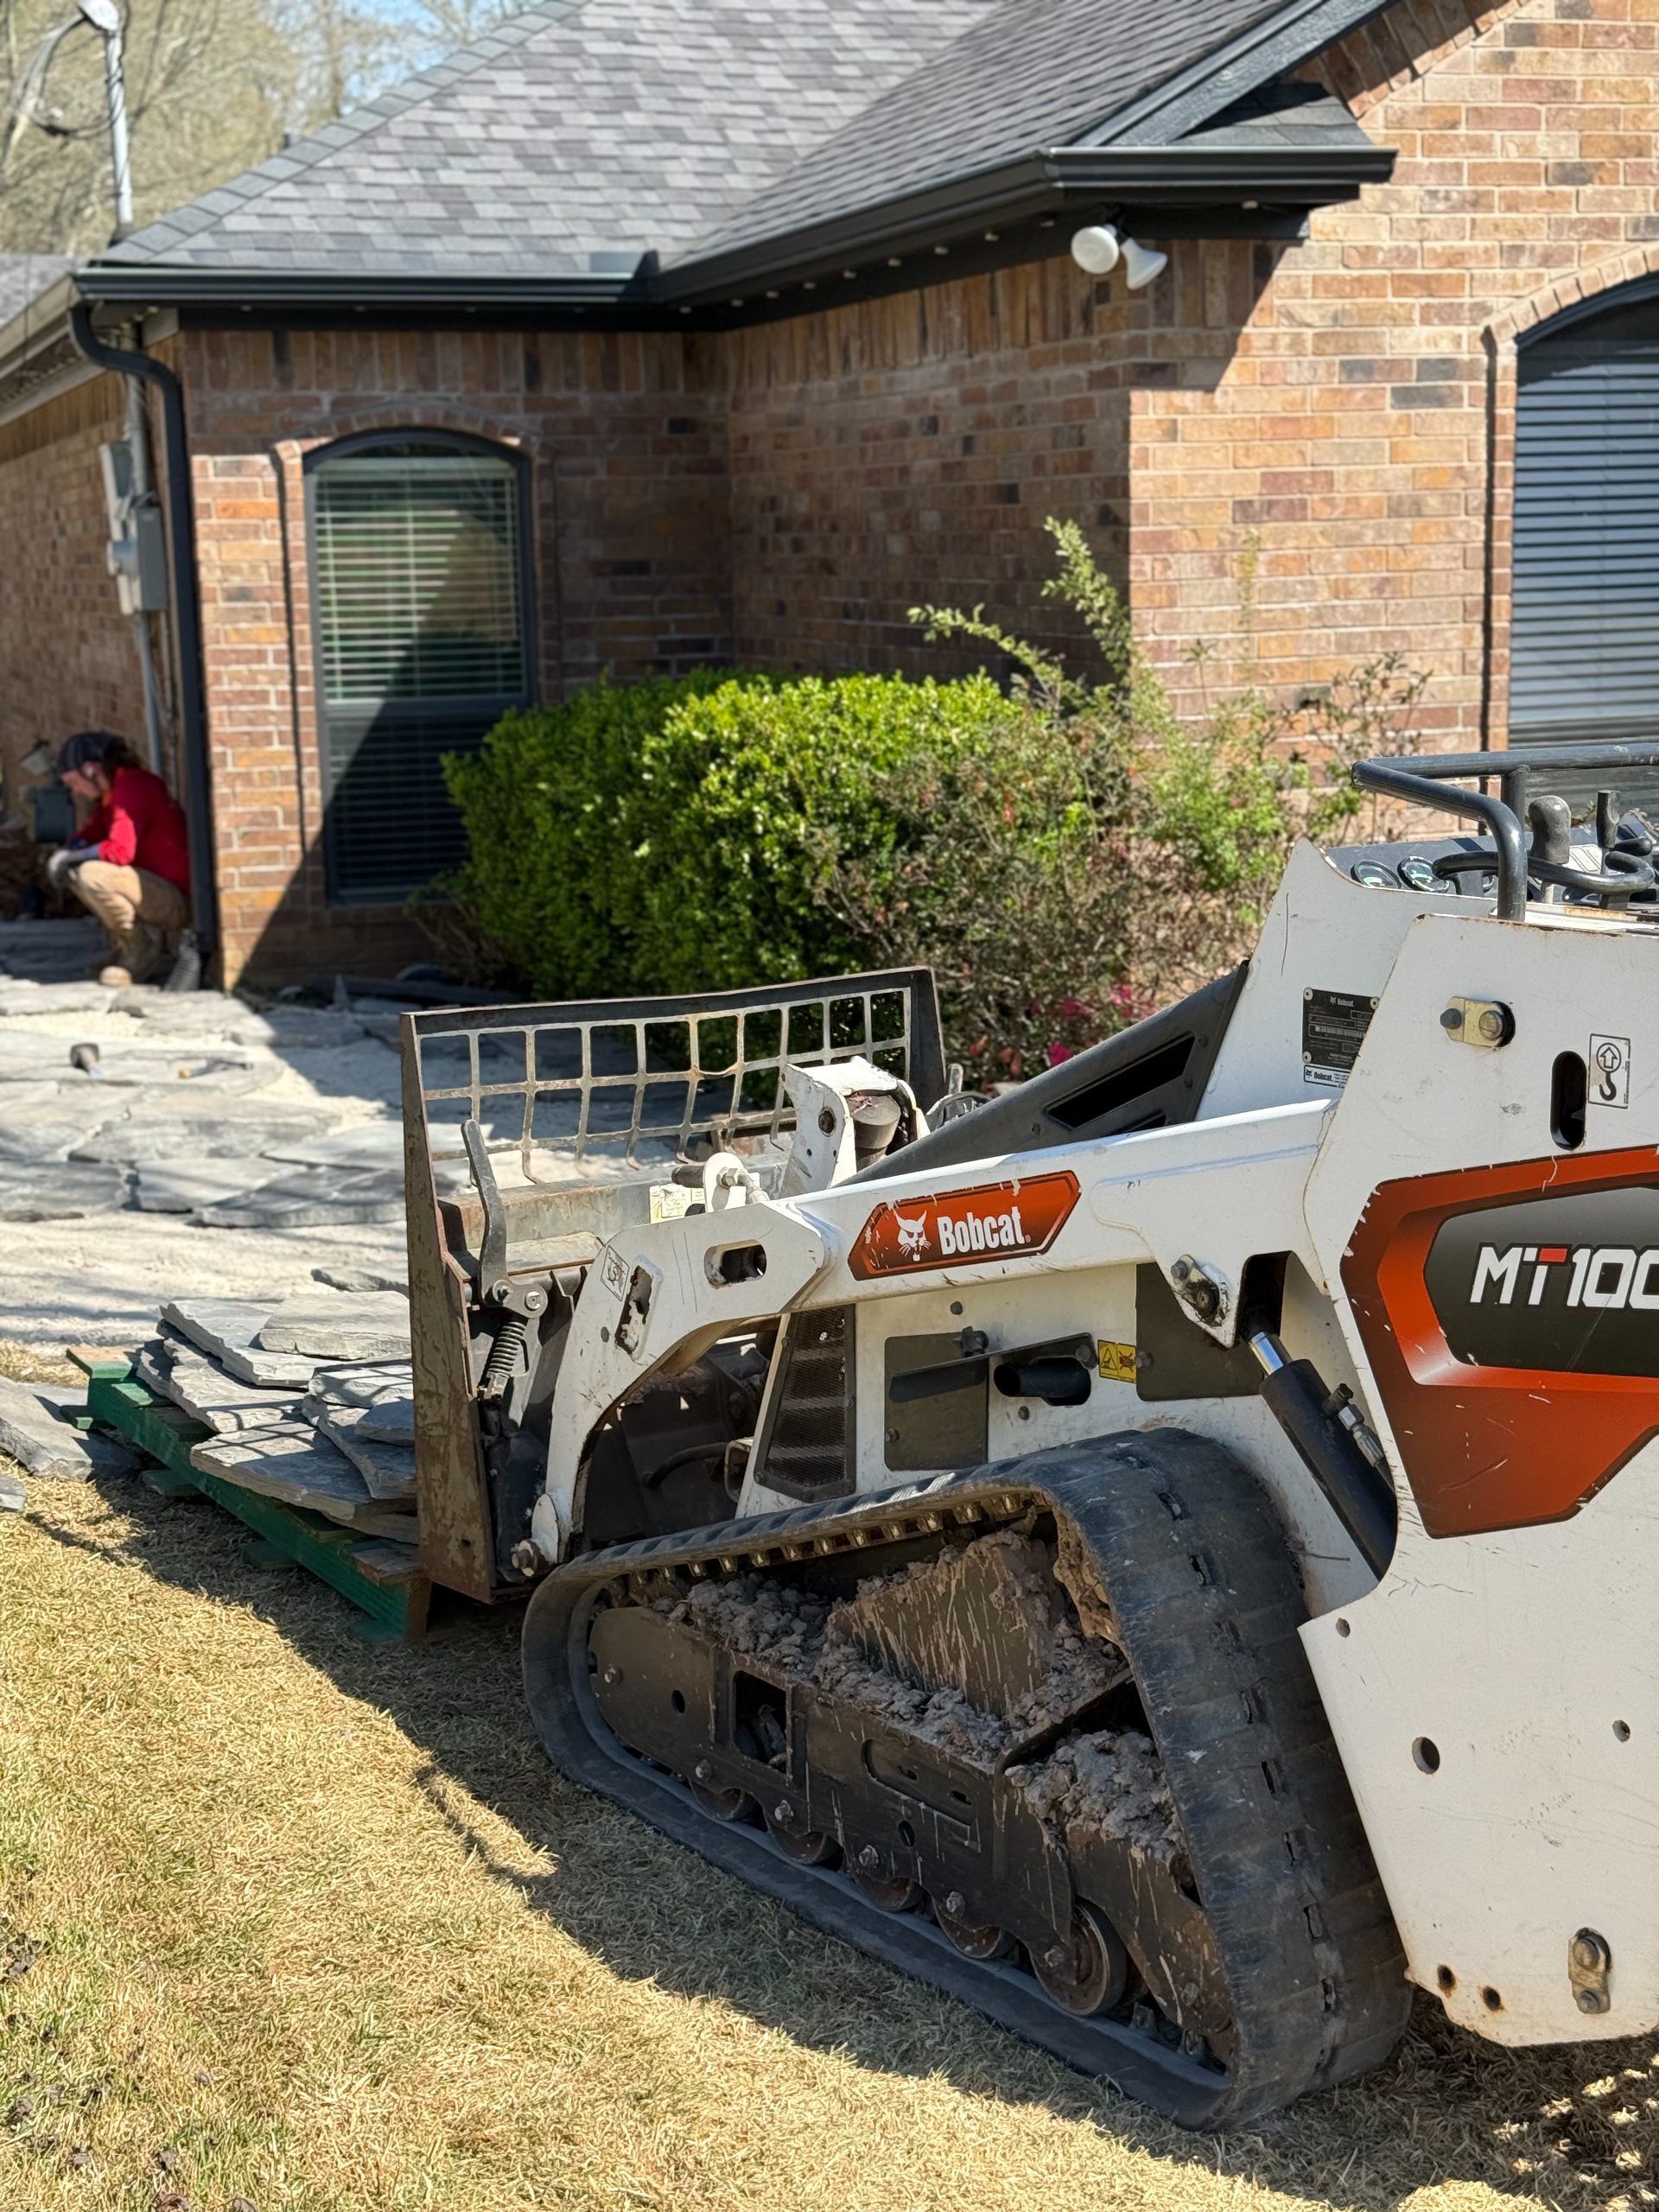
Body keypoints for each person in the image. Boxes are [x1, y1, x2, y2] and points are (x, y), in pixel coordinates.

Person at [47, 731, 190, 988]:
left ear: (91, 770)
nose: (76, 791)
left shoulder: (132, 787)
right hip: (157, 889)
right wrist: (69, 849)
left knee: (92, 874)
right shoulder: (115, 790)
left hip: (175, 899)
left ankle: (141, 951)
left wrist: (73, 856)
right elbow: (95, 833)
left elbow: (120, 852)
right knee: (76, 871)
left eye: (74, 782)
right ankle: (124, 948)